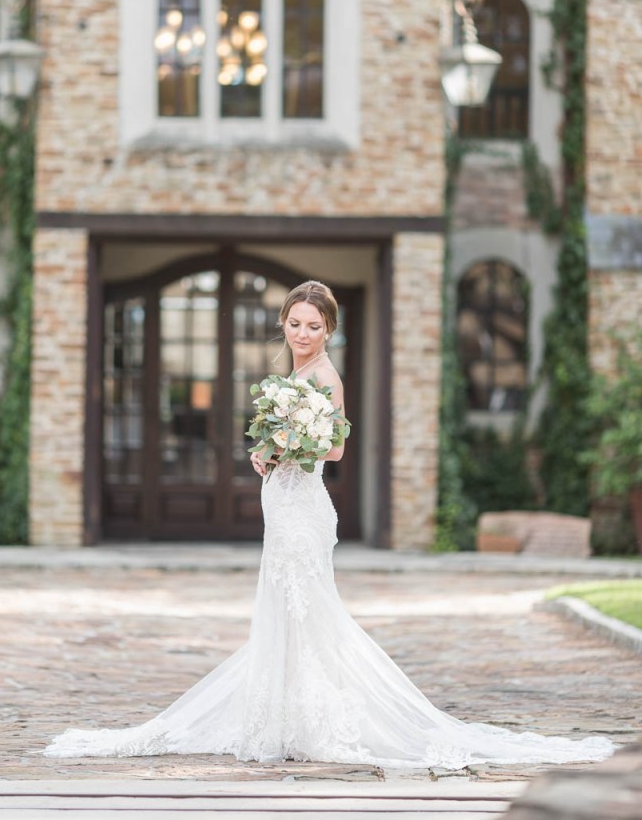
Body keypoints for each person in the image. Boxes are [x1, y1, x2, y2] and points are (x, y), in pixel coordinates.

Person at [45, 280, 615, 769]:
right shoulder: (290, 375)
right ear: (283, 325)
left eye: (312, 325)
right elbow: (286, 441)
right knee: (284, 608)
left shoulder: (326, 378)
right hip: (282, 500)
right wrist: (266, 451)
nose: (301, 333)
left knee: (308, 607)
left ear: (328, 329)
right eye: (293, 323)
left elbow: (336, 450)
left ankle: (317, 717)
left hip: (303, 509)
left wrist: (293, 443)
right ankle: (287, 711)